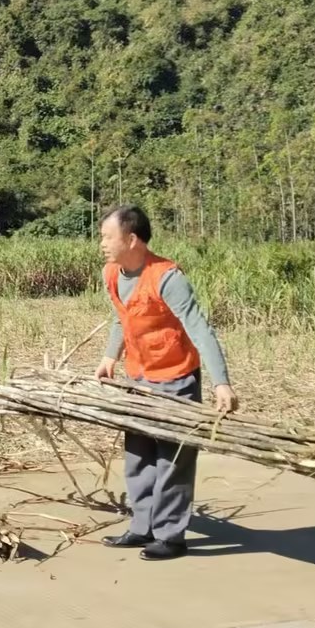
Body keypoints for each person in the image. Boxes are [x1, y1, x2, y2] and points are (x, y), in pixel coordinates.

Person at [94, 205, 238, 561]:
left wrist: (222, 382)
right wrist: (110, 357)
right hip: (139, 378)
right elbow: (120, 319)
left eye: (107, 237)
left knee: (172, 460)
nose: (102, 244)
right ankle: (142, 527)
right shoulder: (112, 273)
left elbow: (199, 328)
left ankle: (171, 536)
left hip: (176, 379)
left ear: (132, 239)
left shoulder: (167, 277)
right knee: (138, 456)